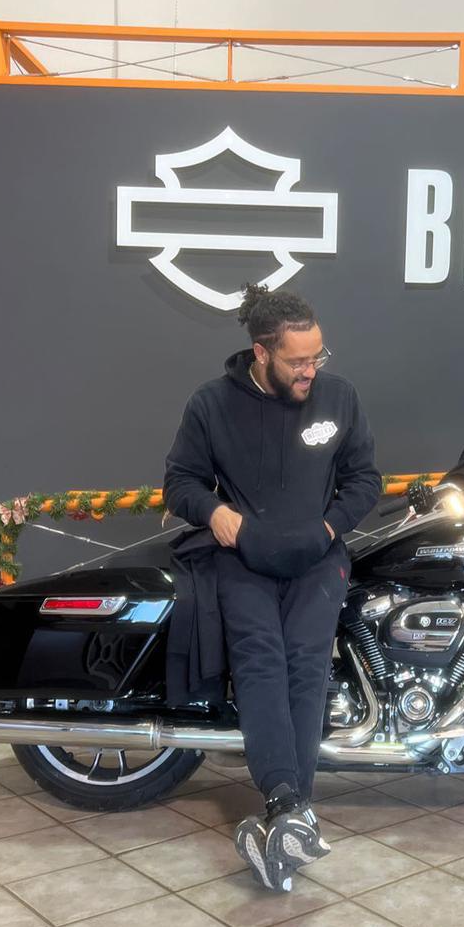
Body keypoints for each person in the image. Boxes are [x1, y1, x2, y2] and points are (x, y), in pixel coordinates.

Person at [163, 284, 381, 892]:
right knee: (260, 661)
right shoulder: (211, 404)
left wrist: (330, 527)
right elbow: (179, 482)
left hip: (318, 556)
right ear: (262, 353)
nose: (311, 371)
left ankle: (287, 811)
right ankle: (289, 807)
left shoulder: (339, 396)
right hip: (243, 557)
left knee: (305, 666)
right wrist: (215, 513)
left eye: (318, 357)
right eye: (298, 361)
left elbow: (364, 479)